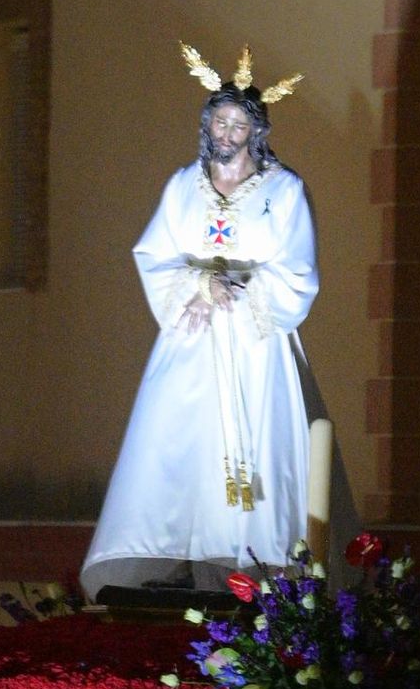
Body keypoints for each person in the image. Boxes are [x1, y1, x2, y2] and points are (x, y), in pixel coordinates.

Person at [81, 46, 320, 598]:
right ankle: (177, 559)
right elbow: (154, 254)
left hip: (256, 342)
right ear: (207, 125)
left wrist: (238, 287)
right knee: (178, 443)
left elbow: (299, 269)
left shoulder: (283, 192)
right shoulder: (183, 186)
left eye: (239, 123)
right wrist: (198, 285)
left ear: (256, 131)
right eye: (219, 120)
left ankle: (258, 566)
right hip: (192, 336)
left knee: (259, 450)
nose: (228, 132)